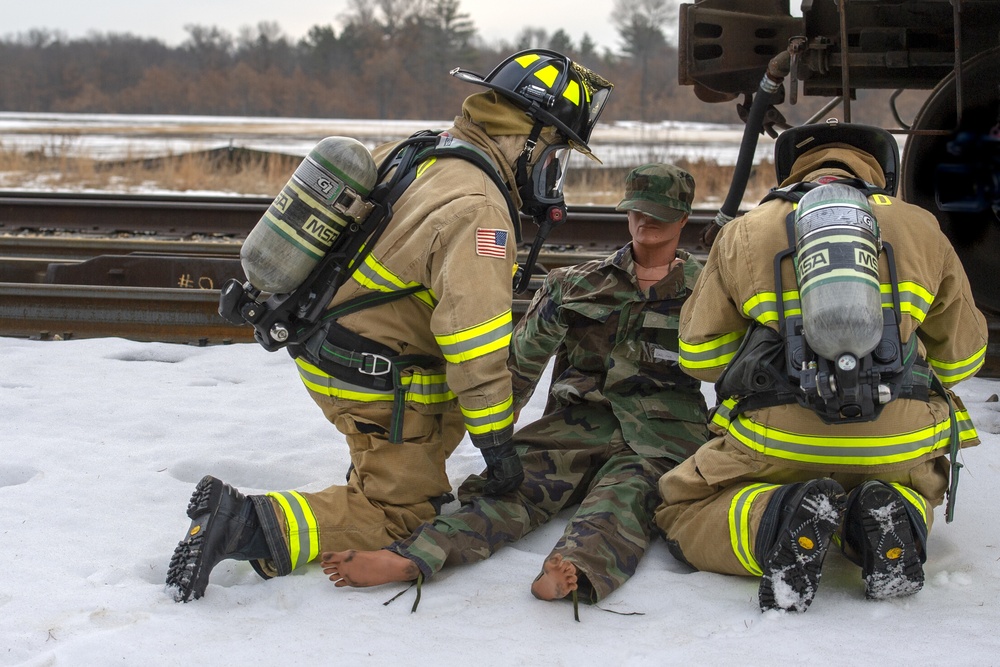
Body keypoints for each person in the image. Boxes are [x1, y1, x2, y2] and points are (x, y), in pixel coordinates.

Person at [166, 49, 615, 602]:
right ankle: (243, 522)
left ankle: (388, 459)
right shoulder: (479, 208)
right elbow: (474, 347)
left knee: (445, 425)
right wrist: (497, 450)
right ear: (527, 138)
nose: (552, 172)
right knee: (402, 514)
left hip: (332, 346)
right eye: (553, 154)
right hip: (370, 378)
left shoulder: (422, 150)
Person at [320, 163, 711, 611]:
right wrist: (496, 438)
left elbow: (734, 369)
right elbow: (521, 362)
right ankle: (412, 557)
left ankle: (571, 568)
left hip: (662, 435)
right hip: (576, 424)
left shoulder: (706, 291)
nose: (647, 221)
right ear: (625, 214)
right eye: (638, 210)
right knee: (513, 486)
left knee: (626, 499)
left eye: (661, 212)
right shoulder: (577, 285)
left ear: (684, 219)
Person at [654, 121, 989, 612]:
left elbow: (700, 356)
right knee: (914, 481)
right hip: (898, 437)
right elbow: (961, 359)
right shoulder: (920, 226)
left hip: (780, 438)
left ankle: (779, 517)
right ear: (880, 170)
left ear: (793, 170)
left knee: (680, 505)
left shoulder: (746, 230)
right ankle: (886, 518)